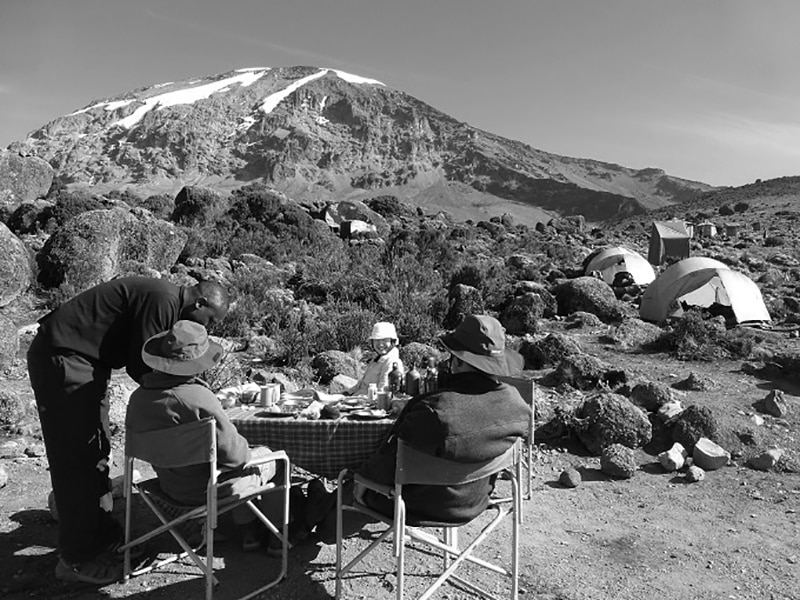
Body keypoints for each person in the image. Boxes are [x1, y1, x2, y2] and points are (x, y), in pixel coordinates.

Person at [26, 276, 229, 585]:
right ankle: (76, 558)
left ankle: (101, 535)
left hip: (88, 363)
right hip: (64, 355)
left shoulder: (168, 302)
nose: (209, 328)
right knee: (77, 456)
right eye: (210, 319)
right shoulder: (163, 300)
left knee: (97, 450)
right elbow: (144, 366)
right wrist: (189, 399)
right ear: (199, 303)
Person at [307, 314, 531, 543]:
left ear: (459, 362)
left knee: (356, 482)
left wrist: (358, 476)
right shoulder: (517, 405)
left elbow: (383, 467)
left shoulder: (434, 411)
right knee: (349, 489)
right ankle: (312, 511)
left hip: (415, 504)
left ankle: (311, 516)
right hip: (475, 500)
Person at [125, 320, 287, 554]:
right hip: (207, 492)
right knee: (275, 459)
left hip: (169, 487)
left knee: (218, 463)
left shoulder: (138, 399)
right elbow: (237, 457)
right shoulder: (197, 397)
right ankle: (278, 535)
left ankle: (248, 531)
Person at [346, 321, 404, 396]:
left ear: (392, 341)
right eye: (377, 340)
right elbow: (361, 385)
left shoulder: (392, 362)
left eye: (384, 340)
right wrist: (347, 393)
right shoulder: (377, 359)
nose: (380, 344)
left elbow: (382, 392)